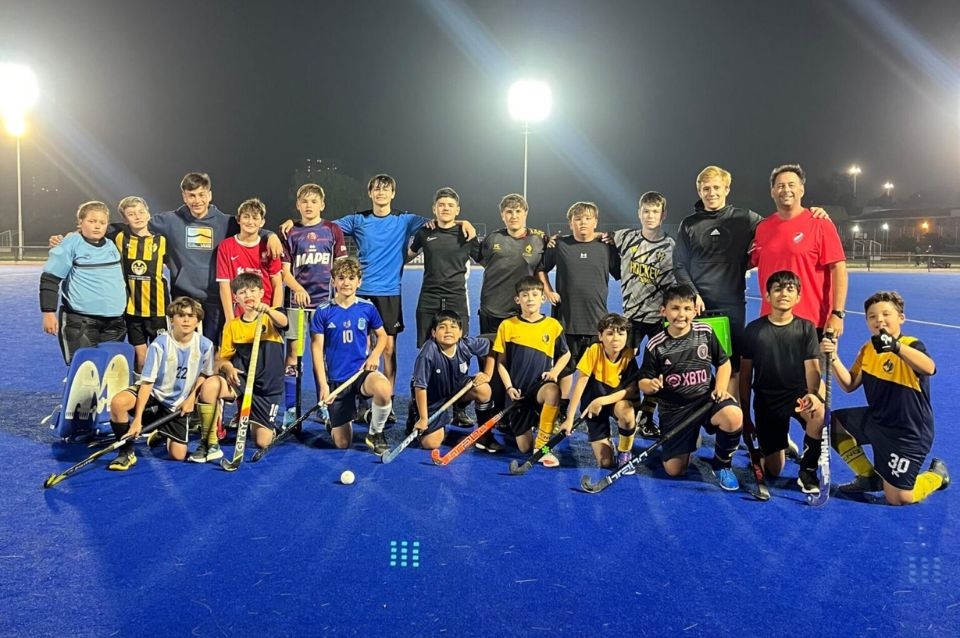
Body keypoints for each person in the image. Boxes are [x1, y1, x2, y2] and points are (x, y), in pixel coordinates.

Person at [319, 174, 475, 415]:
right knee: (361, 347)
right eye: (376, 189)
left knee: (388, 349)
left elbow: (443, 219)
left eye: (386, 189)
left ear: (393, 193)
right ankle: (361, 400)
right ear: (370, 193)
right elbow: (323, 227)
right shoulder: (358, 220)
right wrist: (294, 223)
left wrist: (464, 222)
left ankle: (387, 401)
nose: (381, 193)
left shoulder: (406, 220)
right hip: (361, 292)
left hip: (390, 292)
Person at [820, 291, 949, 505]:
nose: (879, 319)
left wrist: (896, 347)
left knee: (899, 498)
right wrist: (833, 357)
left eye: (886, 314)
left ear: (901, 318)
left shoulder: (911, 344)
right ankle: (867, 476)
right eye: (872, 316)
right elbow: (849, 384)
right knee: (830, 424)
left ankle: (937, 476)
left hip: (907, 432)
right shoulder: (868, 349)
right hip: (877, 421)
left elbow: (929, 367)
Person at [637, 284, 744, 491]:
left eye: (687, 309)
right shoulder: (656, 345)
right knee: (675, 471)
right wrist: (650, 385)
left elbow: (724, 363)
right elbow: (643, 380)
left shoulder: (705, 332)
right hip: (675, 411)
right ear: (663, 311)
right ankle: (690, 436)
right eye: (675, 308)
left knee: (733, 416)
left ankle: (722, 465)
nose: (681, 314)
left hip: (706, 401)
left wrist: (721, 387)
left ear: (695, 311)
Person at [672, 166, 762, 399]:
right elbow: (679, 264)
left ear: (727, 189)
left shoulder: (744, 218)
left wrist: (810, 214)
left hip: (732, 307)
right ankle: (696, 416)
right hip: (697, 307)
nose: (711, 193)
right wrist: (693, 295)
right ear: (699, 191)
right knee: (693, 365)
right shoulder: (689, 224)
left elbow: (777, 227)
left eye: (716, 187)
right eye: (706, 189)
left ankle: (729, 415)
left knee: (732, 366)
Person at [470, 193, 548, 450]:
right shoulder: (493, 239)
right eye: (508, 212)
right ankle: (494, 416)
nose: (513, 216)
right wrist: (463, 222)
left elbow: (542, 268)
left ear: (526, 213)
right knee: (491, 368)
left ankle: (517, 412)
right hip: (492, 312)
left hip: (521, 316)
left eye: (518, 211)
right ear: (502, 215)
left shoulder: (538, 240)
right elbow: (474, 252)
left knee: (518, 367)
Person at [739, 270, 825, 494]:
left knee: (819, 414)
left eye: (790, 289)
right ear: (767, 296)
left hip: (798, 395)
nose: (783, 294)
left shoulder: (806, 328)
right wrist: (746, 416)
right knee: (774, 470)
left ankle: (808, 469)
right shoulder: (754, 330)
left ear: (798, 297)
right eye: (777, 289)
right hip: (768, 402)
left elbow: (812, 368)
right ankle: (777, 446)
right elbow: (746, 376)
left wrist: (814, 394)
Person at [106, 297, 215, 469]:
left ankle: (161, 432)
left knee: (178, 455)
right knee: (118, 403)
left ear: (198, 321)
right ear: (172, 320)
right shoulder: (160, 344)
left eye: (191, 316)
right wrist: (137, 420)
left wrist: (191, 399)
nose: (186, 320)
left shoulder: (205, 346)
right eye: (181, 315)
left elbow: (205, 374)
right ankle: (126, 452)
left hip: (176, 405)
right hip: (153, 395)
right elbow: (147, 383)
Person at [192, 273, 288, 461]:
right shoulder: (232, 326)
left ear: (262, 293)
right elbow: (222, 360)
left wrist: (268, 311)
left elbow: (283, 322)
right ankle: (209, 442)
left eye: (252, 291)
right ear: (235, 298)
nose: (248, 295)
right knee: (210, 386)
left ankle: (262, 421)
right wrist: (228, 367)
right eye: (242, 292)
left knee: (262, 442)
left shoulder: (272, 317)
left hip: (267, 388)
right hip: (241, 380)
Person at [538, 201, 620, 411]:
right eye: (578, 219)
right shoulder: (560, 245)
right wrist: (547, 291)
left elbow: (621, 273)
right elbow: (540, 268)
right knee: (564, 370)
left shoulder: (606, 246)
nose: (583, 222)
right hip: (566, 320)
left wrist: (614, 240)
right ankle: (560, 410)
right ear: (570, 223)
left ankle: (590, 410)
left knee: (593, 372)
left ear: (595, 222)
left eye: (588, 218)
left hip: (596, 322)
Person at [752, 163, 848, 337]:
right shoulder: (762, 228)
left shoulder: (820, 223)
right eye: (780, 186)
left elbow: (838, 268)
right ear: (772, 192)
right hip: (771, 321)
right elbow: (748, 261)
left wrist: (837, 313)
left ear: (801, 190)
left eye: (791, 185)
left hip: (812, 323)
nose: (786, 190)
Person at [310, 257, 393, 453]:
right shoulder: (323, 311)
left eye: (351, 278)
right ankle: (333, 423)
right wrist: (323, 385)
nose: (346, 283)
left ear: (359, 282)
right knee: (342, 443)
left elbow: (382, 336)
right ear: (333, 282)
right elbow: (316, 349)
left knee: (383, 388)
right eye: (341, 278)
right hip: (338, 379)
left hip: (362, 374)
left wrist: (374, 356)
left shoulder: (367, 308)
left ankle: (375, 433)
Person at [279, 183, 347, 420]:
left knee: (324, 353)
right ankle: (290, 408)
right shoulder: (290, 232)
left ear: (322, 205)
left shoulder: (332, 229)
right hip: (296, 304)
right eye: (305, 201)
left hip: (324, 304)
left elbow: (341, 267)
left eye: (314, 201)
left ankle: (324, 403)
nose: (309, 206)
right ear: (298, 205)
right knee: (292, 354)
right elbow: (284, 271)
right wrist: (297, 288)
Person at [611, 191, 675, 438]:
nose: (650, 216)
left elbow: (678, 278)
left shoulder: (671, 247)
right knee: (626, 366)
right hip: (632, 317)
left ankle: (648, 418)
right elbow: (598, 237)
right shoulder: (625, 237)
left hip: (659, 319)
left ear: (663, 214)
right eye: (646, 211)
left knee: (658, 370)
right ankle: (633, 409)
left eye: (655, 211)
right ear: (639, 213)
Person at [492, 276, 570, 466]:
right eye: (525, 295)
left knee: (553, 391)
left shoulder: (553, 325)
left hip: (540, 388)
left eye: (535, 295)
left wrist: (554, 373)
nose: (530, 299)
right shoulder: (507, 326)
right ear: (517, 299)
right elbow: (501, 363)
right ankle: (533, 427)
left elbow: (566, 354)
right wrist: (509, 388)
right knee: (524, 447)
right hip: (518, 394)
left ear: (543, 298)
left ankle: (543, 448)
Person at [40, 201, 127, 364]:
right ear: (80, 222)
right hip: (81, 322)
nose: (97, 226)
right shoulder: (70, 244)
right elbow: (50, 279)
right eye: (92, 221)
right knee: (83, 371)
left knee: (109, 371)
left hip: (115, 322)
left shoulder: (112, 243)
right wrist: (48, 313)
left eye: (102, 222)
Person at [560, 313, 639, 470]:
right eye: (609, 334)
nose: (615, 339)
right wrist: (569, 418)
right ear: (600, 336)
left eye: (621, 334)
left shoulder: (629, 355)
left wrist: (601, 401)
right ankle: (608, 443)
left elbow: (631, 391)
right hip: (592, 408)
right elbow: (580, 384)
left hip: (614, 402)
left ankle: (624, 451)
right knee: (605, 463)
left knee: (627, 412)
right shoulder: (594, 350)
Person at [409, 310, 495, 451]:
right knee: (431, 444)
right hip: (433, 397)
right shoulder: (427, 353)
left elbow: (492, 347)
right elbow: (420, 387)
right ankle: (416, 413)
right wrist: (423, 418)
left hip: (457, 388)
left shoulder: (465, 344)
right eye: (442, 327)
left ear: (461, 333)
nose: (448, 331)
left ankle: (484, 434)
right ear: (433, 333)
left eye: (453, 327)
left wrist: (487, 373)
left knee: (484, 389)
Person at [113, 196, 169, 373]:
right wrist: (70, 235)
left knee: (161, 354)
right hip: (133, 310)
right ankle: (140, 387)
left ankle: (161, 388)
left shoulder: (162, 240)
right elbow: (94, 232)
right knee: (141, 356)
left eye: (141, 212)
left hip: (158, 309)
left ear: (148, 214)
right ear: (125, 219)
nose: (137, 216)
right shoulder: (120, 238)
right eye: (131, 214)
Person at [216, 197, 283, 324]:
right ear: (238, 219)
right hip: (238, 314)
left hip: (264, 312)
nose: (250, 222)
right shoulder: (225, 246)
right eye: (246, 217)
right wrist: (229, 319)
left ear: (262, 222)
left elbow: (277, 283)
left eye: (255, 218)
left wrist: (274, 314)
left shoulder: (270, 246)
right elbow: (224, 285)